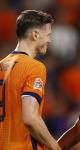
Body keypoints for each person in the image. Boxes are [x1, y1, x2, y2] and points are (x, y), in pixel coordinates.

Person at [0, 10, 61, 150]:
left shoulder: (1, 64)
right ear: (35, 34)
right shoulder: (35, 67)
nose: (49, 40)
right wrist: (55, 146)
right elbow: (30, 118)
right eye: (48, 35)